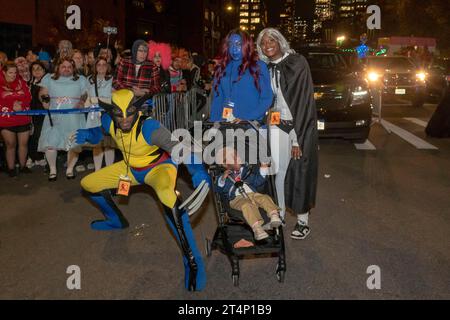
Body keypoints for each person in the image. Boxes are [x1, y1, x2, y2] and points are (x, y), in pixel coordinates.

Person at [74, 89, 211, 291]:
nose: (125, 120)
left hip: (159, 168)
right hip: (129, 169)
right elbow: (101, 132)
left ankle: (192, 260)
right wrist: (89, 134)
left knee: (167, 196)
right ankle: (115, 220)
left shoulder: (150, 127)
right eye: (119, 115)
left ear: (137, 110)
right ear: (112, 113)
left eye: (129, 113)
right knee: (89, 183)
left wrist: (197, 170)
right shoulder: (108, 121)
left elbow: (179, 149)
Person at [256, 28, 318, 240]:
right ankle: (279, 215)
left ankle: (303, 221)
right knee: (278, 171)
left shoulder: (296, 62)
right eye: (263, 42)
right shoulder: (263, 67)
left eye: (271, 40)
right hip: (275, 124)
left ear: (280, 41)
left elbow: (302, 101)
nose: (268, 44)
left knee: (299, 169)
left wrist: (297, 137)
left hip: (297, 124)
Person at [38, 57, 88, 181]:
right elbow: (42, 92)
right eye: (63, 67)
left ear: (73, 68)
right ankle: (53, 169)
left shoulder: (80, 79)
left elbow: (85, 93)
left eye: (69, 67)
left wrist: (82, 102)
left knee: (73, 144)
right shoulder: (49, 78)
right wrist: (44, 100)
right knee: (51, 142)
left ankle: (70, 169)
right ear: (58, 68)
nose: (66, 69)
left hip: (74, 117)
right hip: (54, 116)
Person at [216, 146, 282, 241]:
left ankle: (274, 215)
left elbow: (257, 181)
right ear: (225, 164)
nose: (238, 158)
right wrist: (222, 179)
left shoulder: (246, 171)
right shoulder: (224, 177)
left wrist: (263, 169)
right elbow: (219, 190)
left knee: (264, 197)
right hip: (237, 199)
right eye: (234, 158)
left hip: (252, 194)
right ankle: (257, 228)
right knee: (246, 205)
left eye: (237, 155)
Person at [209, 29, 273, 123]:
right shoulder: (221, 69)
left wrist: (247, 118)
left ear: (247, 45)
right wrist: (214, 124)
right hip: (225, 124)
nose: (234, 49)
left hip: (250, 125)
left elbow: (266, 98)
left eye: (239, 44)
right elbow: (217, 99)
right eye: (231, 44)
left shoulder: (258, 66)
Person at [0, 62, 32, 177]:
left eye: (15, 72)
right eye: (10, 72)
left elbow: (28, 96)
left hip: (23, 117)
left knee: (23, 143)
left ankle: (23, 166)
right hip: (6, 119)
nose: (13, 75)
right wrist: (11, 106)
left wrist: (21, 105)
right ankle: (11, 168)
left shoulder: (21, 81)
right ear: (4, 72)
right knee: (10, 144)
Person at [85, 56, 115, 171]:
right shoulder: (90, 80)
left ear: (108, 66)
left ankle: (109, 170)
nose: (101, 67)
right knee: (97, 144)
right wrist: (85, 106)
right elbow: (88, 97)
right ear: (95, 67)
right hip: (93, 115)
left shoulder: (112, 79)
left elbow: (114, 98)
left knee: (108, 144)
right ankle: (97, 171)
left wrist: (97, 99)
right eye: (99, 64)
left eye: (104, 64)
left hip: (107, 114)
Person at [27, 61, 48, 167]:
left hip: (44, 113)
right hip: (31, 113)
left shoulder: (48, 82)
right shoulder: (29, 83)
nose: (36, 71)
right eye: (33, 69)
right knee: (32, 135)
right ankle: (32, 156)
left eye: (39, 68)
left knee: (40, 135)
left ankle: (40, 156)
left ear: (44, 70)